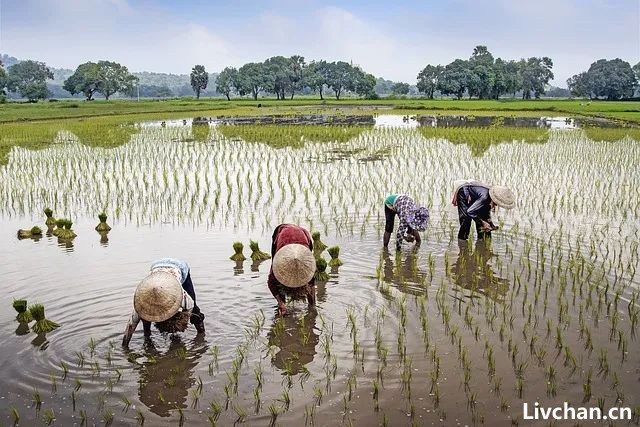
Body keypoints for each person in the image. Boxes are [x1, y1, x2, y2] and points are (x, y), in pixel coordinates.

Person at [122, 258, 205, 347]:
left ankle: (201, 335)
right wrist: (125, 345)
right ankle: (147, 337)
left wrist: (181, 320)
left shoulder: (183, 298)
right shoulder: (141, 304)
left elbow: (188, 312)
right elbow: (130, 326)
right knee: (145, 318)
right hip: (156, 267)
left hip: (179, 267)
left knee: (195, 310)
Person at [268, 224, 317, 316]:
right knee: (277, 280)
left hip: (303, 234)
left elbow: (311, 284)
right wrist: (280, 302)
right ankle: (283, 305)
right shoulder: (279, 263)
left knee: (309, 281)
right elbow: (271, 283)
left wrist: (312, 306)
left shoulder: (308, 265)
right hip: (282, 233)